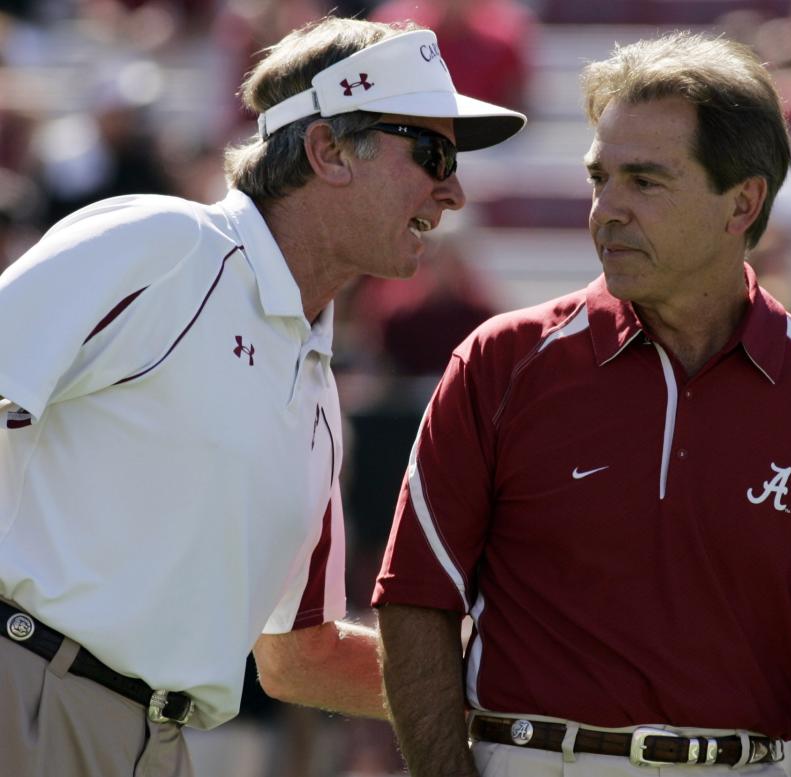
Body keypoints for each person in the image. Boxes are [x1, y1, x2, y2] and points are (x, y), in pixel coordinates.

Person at [373, 30, 791, 777]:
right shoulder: (499, 363)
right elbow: (415, 599)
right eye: (601, 177)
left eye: (645, 181)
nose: (606, 210)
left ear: (743, 204)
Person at [0, 15, 524, 777]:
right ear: (328, 151)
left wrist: (533, 677)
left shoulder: (315, 384)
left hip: (158, 743)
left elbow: (298, 655)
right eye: (432, 152)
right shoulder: (168, 245)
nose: (453, 189)